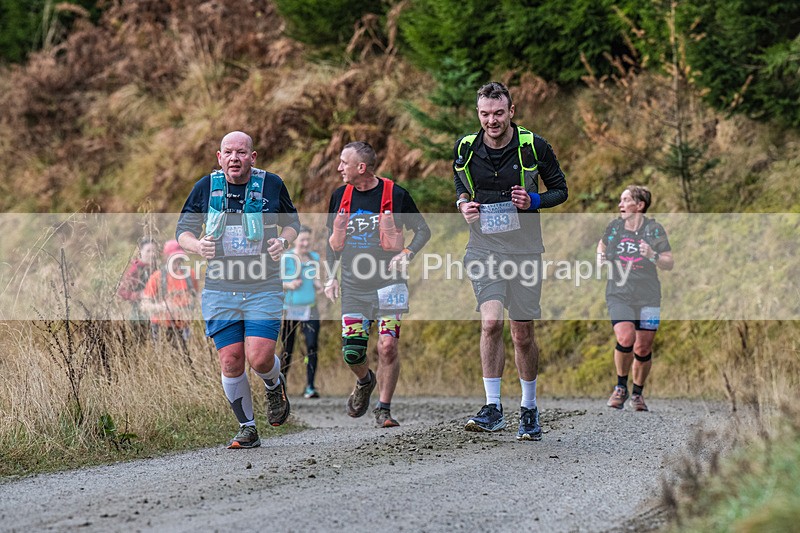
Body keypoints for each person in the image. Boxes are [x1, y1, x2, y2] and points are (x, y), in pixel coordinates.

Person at [454, 81, 568, 440]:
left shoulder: (534, 146)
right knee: (490, 323)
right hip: (483, 248)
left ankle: (529, 409)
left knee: (522, 334)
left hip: (525, 251)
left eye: (499, 113)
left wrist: (533, 201)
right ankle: (493, 407)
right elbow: (460, 183)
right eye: (485, 114)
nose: (492, 120)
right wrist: (463, 204)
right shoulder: (466, 147)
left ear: (511, 112)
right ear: (478, 113)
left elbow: (561, 190)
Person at [177, 131, 300, 449]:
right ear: (219, 157)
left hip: (263, 286)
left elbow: (293, 223)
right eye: (228, 152)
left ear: (252, 157)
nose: (235, 158)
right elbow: (183, 231)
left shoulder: (272, 184)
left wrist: (282, 241)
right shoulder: (205, 187)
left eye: (241, 152)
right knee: (231, 361)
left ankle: (273, 383)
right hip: (220, 288)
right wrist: (198, 246)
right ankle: (247, 428)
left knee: (259, 358)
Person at [324, 141, 430, 428]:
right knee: (352, 352)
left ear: (361, 167)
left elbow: (423, 230)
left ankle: (384, 408)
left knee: (387, 346)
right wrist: (331, 277)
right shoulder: (339, 197)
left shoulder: (396, 195)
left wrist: (407, 252)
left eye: (344, 163)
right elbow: (331, 242)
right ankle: (364, 381)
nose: (339, 168)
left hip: (390, 285)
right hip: (353, 288)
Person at [597, 185, 673, 412]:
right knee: (626, 337)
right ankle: (621, 387)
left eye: (625, 200)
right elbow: (602, 244)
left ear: (639, 205)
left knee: (643, 346)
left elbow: (669, 262)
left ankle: (638, 393)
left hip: (648, 295)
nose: (620, 205)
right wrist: (600, 257)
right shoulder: (615, 227)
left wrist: (652, 255)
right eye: (621, 200)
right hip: (619, 293)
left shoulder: (654, 230)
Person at [280, 226, 323, 399]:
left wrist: (319, 285)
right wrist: (288, 284)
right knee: (287, 349)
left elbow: (315, 278)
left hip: (310, 308)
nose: (305, 243)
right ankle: (281, 388)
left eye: (308, 240)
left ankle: (310, 386)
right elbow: (276, 281)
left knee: (311, 347)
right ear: (295, 241)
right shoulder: (286, 258)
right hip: (289, 309)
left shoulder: (314, 258)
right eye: (302, 240)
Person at [140, 240, 199, 355]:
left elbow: (196, 297)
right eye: (174, 258)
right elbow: (144, 306)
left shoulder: (190, 275)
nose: (178, 261)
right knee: (164, 359)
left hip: (185, 328)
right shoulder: (157, 277)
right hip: (162, 328)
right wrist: (163, 307)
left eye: (180, 258)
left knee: (186, 360)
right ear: (167, 258)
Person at [117, 236, 159, 341]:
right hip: (139, 314)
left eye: (154, 251)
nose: (152, 254)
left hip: (155, 313)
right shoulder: (135, 269)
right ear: (141, 252)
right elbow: (122, 292)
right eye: (148, 251)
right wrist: (139, 295)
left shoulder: (155, 268)